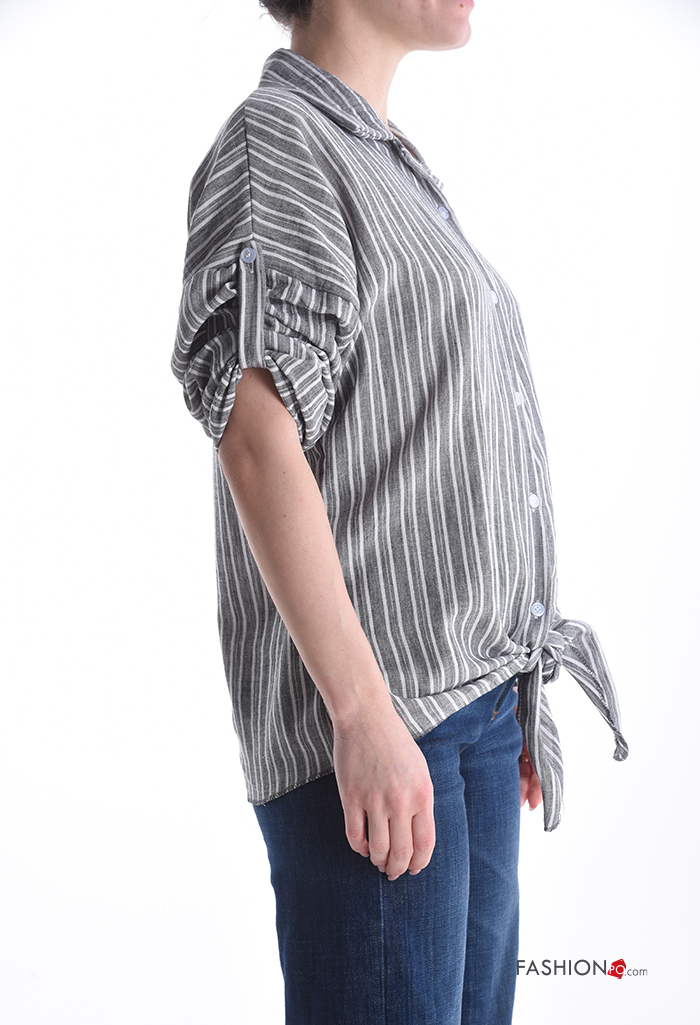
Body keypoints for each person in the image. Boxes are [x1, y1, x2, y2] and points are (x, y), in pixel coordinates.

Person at [171, 1, 629, 1022]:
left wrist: (496, 678)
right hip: (382, 717)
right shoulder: (280, 138)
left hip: (469, 707)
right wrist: (360, 712)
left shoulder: (389, 163)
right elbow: (257, 440)